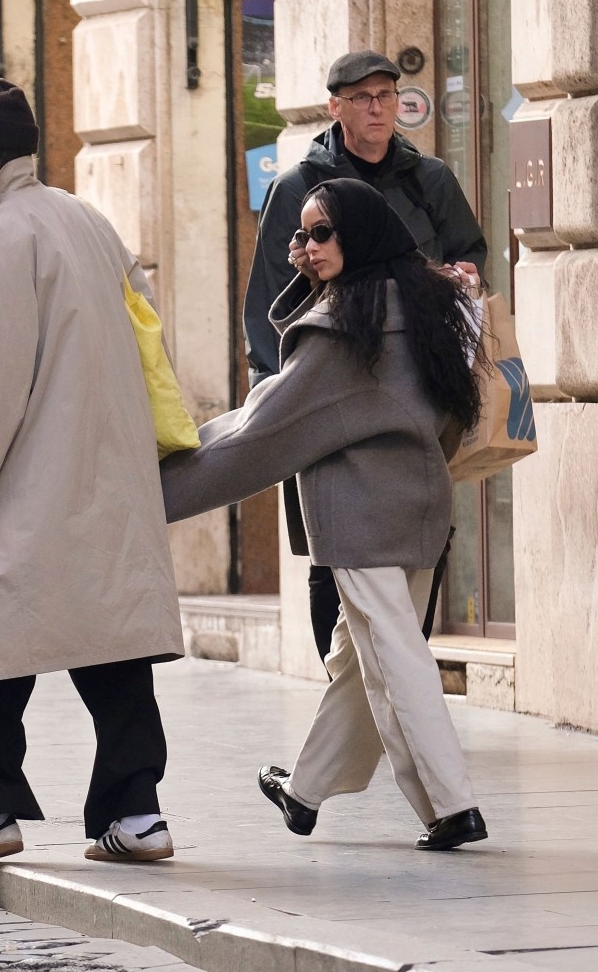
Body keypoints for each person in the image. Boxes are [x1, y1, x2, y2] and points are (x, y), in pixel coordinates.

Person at [0, 77, 185, 872]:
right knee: (109, 644)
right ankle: (135, 813)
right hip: (102, 474)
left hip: (27, 481)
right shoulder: (88, 220)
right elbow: (147, 339)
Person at [162, 179, 488, 850]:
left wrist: (150, 493)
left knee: (394, 657)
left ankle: (450, 805)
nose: (304, 248)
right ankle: (305, 792)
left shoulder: (342, 331)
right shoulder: (424, 303)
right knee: (356, 656)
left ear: (358, 235)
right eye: (298, 236)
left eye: (320, 234)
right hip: (421, 504)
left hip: (361, 516)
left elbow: (259, 436)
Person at [243, 49, 488, 667]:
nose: (378, 108)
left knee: (421, 539)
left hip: (415, 391)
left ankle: (402, 680)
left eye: (387, 96)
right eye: (362, 98)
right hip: (329, 392)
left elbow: (471, 258)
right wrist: (279, 400)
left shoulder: (429, 180)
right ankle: (347, 695)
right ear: (336, 107)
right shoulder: (297, 189)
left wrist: (465, 276)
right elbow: (268, 302)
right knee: (334, 548)